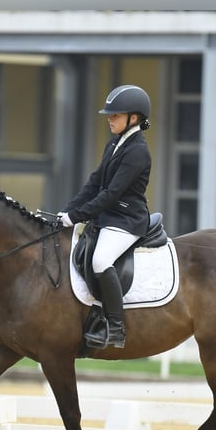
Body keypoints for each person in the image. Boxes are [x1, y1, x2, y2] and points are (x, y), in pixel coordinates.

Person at [57, 84, 152, 349]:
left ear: (134, 117)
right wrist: (69, 210)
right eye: (109, 115)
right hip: (108, 217)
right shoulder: (114, 143)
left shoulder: (137, 151)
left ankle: (116, 327)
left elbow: (111, 193)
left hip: (126, 220)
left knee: (100, 261)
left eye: (116, 115)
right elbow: (95, 182)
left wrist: (77, 216)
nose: (110, 119)